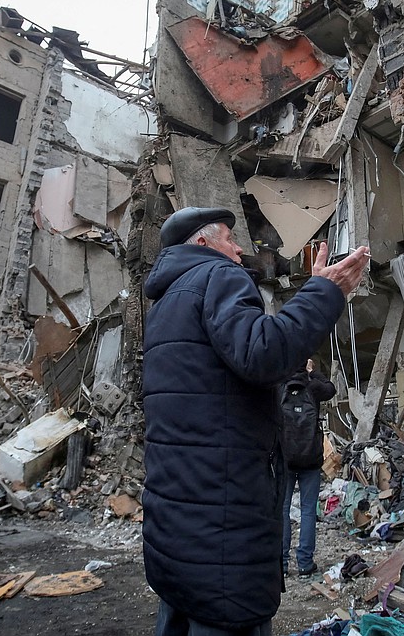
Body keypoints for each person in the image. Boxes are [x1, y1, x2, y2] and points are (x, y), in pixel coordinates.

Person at [142, 207, 369, 636]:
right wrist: (324, 292)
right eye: (230, 237)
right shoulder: (217, 277)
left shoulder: (164, 305)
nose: (239, 247)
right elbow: (261, 354)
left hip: (176, 531)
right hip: (223, 532)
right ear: (204, 244)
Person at [279, 358, 335, 579]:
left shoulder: (279, 387)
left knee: (282, 510)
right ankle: (305, 564)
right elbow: (330, 387)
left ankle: (281, 564)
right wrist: (313, 373)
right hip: (310, 459)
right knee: (308, 510)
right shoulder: (313, 387)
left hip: (285, 459)